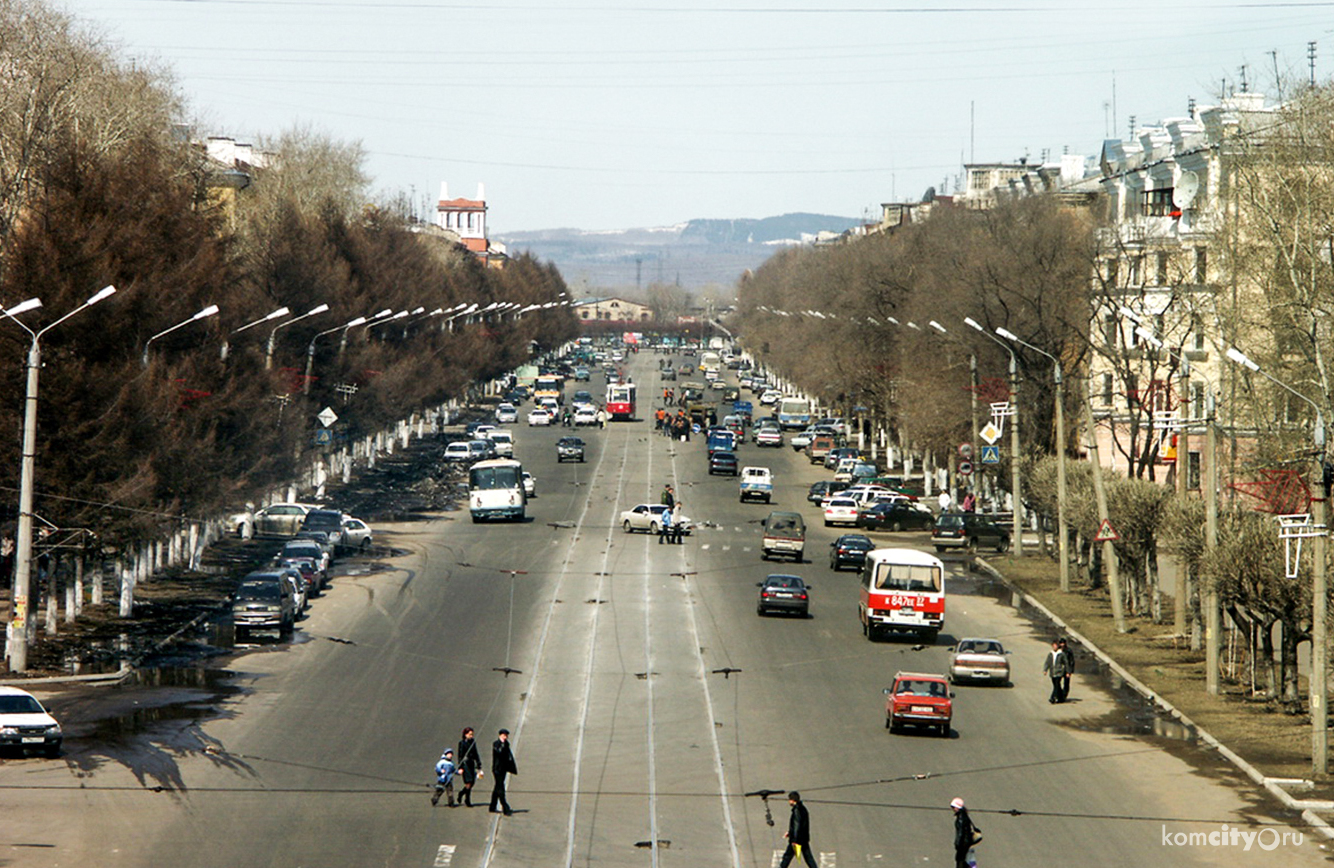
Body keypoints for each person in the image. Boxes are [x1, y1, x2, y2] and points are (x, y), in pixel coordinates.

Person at [779, 791, 818, 868]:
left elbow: (797, 825)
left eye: (789, 799)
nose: (789, 801)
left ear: (793, 800)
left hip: (797, 839)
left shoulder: (797, 811)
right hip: (803, 839)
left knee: (787, 857)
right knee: (808, 858)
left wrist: (794, 840)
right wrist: (790, 832)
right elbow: (800, 825)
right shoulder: (803, 809)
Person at [489, 728, 518, 815]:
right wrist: (502, 744)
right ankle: (505, 808)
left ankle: (492, 806)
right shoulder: (496, 744)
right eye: (504, 735)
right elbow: (499, 752)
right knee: (501, 788)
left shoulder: (506, 744)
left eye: (506, 736)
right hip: (497, 769)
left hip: (503, 769)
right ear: (500, 735)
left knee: (497, 787)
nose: (505, 737)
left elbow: (508, 756)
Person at [456, 727, 483, 807]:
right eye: (470, 734)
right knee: (468, 782)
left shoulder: (473, 742)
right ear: (465, 734)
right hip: (465, 764)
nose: (471, 736)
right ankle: (467, 800)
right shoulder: (462, 743)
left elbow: (476, 753)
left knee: (472, 782)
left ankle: (461, 793)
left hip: (471, 763)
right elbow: (460, 755)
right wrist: (460, 767)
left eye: (472, 734)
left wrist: (478, 763)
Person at [951, 797, 980, 868]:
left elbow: (960, 832)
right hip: (967, 842)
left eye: (953, 807)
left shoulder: (960, 818)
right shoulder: (965, 815)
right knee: (964, 858)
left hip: (963, 843)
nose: (952, 809)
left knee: (960, 859)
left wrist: (957, 843)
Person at [1043, 637, 1073, 703]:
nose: (1054, 647)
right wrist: (1045, 670)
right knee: (1056, 685)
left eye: (1056, 645)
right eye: (1053, 646)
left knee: (1056, 685)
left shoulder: (1062, 654)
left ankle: (1053, 698)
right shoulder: (1051, 654)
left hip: (1059, 672)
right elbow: (1048, 662)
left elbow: (1066, 663)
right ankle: (1061, 697)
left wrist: (1068, 672)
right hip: (1052, 672)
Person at [1058, 637, 1075, 702]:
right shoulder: (1058, 650)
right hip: (1059, 669)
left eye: (1063, 643)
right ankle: (1059, 694)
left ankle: (1064, 695)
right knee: (1057, 682)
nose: (1062, 645)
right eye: (1061, 643)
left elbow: (1072, 661)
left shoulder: (1069, 651)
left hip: (1067, 669)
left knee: (1066, 683)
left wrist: (1070, 670)